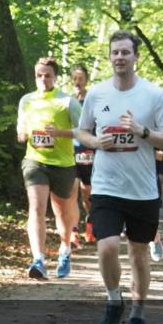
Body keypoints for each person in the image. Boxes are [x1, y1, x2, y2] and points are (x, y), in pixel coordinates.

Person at [77, 31, 163, 324]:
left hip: (143, 190)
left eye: (125, 52)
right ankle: (112, 300)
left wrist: (143, 131)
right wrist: (95, 142)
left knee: (138, 255)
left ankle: (138, 315)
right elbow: (83, 131)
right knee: (106, 246)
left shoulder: (153, 95)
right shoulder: (97, 93)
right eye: (114, 52)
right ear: (110, 57)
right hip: (107, 186)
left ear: (136, 57)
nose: (119, 57)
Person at [17, 57, 82, 280]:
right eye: (39, 75)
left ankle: (65, 249)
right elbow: (21, 130)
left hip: (63, 164)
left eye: (47, 75)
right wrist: (24, 134)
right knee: (36, 207)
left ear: (55, 77)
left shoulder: (68, 102)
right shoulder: (27, 100)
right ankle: (39, 259)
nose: (43, 79)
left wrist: (59, 133)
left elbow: (83, 131)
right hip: (35, 161)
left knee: (62, 212)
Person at [71, 65, 95, 243]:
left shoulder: (93, 100)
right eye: (74, 79)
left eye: (80, 78)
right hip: (69, 152)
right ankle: (73, 231)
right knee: (71, 192)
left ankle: (91, 222)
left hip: (89, 151)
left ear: (86, 80)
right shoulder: (67, 101)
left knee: (87, 194)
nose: (77, 82)